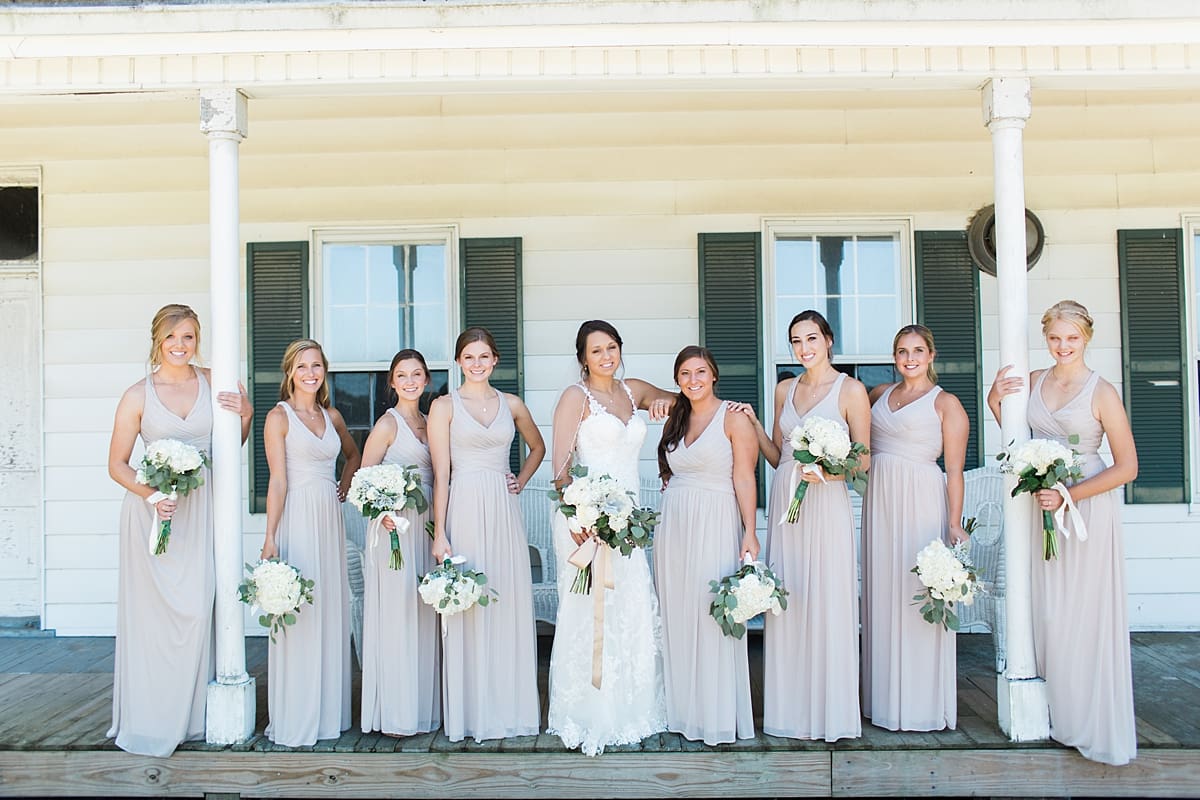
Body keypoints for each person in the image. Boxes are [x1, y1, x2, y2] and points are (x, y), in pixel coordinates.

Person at [988, 300, 1138, 766]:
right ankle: (1056, 710)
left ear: (1086, 338)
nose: (1062, 346)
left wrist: (1070, 495)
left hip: (1085, 510)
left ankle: (1086, 718)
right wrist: (996, 398)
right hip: (1042, 504)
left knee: (1082, 612)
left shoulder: (1102, 392)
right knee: (1047, 610)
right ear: (1046, 337)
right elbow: (1014, 432)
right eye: (1055, 338)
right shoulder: (1034, 381)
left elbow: (1128, 467)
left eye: (1071, 338)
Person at [106, 303, 251, 757]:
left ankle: (191, 716)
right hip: (155, 516)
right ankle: (150, 715)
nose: (180, 345)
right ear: (157, 340)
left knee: (196, 608)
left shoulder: (215, 381)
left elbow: (232, 444)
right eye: (172, 337)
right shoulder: (137, 395)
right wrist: (152, 495)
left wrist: (245, 414)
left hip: (203, 510)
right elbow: (116, 464)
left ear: (197, 340)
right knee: (154, 619)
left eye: (188, 336)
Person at [738, 310, 870, 742]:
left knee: (827, 598)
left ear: (828, 340)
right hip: (785, 499)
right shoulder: (783, 389)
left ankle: (830, 712)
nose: (804, 348)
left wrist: (828, 475)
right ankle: (789, 710)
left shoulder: (851, 391)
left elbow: (863, 464)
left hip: (827, 503)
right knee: (790, 597)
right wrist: (755, 426)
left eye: (811, 338)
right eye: (796, 341)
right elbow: (779, 456)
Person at [546, 319, 674, 756]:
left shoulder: (632, 390)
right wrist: (579, 517)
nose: (606, 356)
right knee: (591, 612)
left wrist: (662, 403)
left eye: (612, 347)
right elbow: (561, 469)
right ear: (582, 357)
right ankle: (589, 710)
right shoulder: (574, 398)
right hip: (586, 521)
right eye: (596, 350)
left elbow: (684, 399)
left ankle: (633, 707)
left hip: (629, 520)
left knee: (632, 604)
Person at [428, 327, 546, 743]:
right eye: (469, 357)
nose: (476, 364)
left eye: (484, 356)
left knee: (506, 599)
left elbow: (538, 447)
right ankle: (471, 712)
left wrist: (520, 480)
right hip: (463, 504)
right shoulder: (443, 406)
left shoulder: (511, 404)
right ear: (459, 361)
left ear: (495, 360)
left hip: (502, 505)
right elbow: (441, 473)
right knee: (469, 604)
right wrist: (439, 533)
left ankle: (510, 709)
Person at [861, 324, 969, 732]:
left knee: (916, 592)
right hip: (881, 501)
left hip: (922, 500)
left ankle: (921, 703)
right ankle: (883, 699)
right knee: (884, 590)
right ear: (894, 356)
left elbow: (954, 472)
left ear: (931, 356)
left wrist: (954, 522)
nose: (910, 358)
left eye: (918, 350)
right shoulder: (878, 396)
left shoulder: (947, 405)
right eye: (902, 351)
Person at [653, 346, 759, 745]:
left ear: (714, 375)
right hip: (675, 524)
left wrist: (750, 530)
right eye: (685, 373)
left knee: (711, 613)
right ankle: (682, 710)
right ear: (678, 379)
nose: (693, 380)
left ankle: (714, 714)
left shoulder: (732, 418)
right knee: (678, 613)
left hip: (716, 519)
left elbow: (745, 477)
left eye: (700, 372)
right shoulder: (676, 419)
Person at [260, 338, 360, 747]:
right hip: (298, 516)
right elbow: (278, 480)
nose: (310, 373)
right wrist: (270, 536)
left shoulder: (332, 415)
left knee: (329, 607)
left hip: (328, 516)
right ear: (290, 373)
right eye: (302, 367)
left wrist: (343, 485)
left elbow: (353, 456)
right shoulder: (278, 417)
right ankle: (296, 713)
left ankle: (328, 713)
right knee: (299, 610)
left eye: (316, 366)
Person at [357, 349, 441, 737]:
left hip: (426, 526)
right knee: (398, 614)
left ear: (426, 380)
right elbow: (363, 480)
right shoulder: (387, 425)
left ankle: (422, 709)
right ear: (392, 382)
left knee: (425, 612)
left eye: (417, 374)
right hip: (394, 527)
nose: (409, 381)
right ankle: (394, 714)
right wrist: (383, 514)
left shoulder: (432, 421)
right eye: (402, 375)